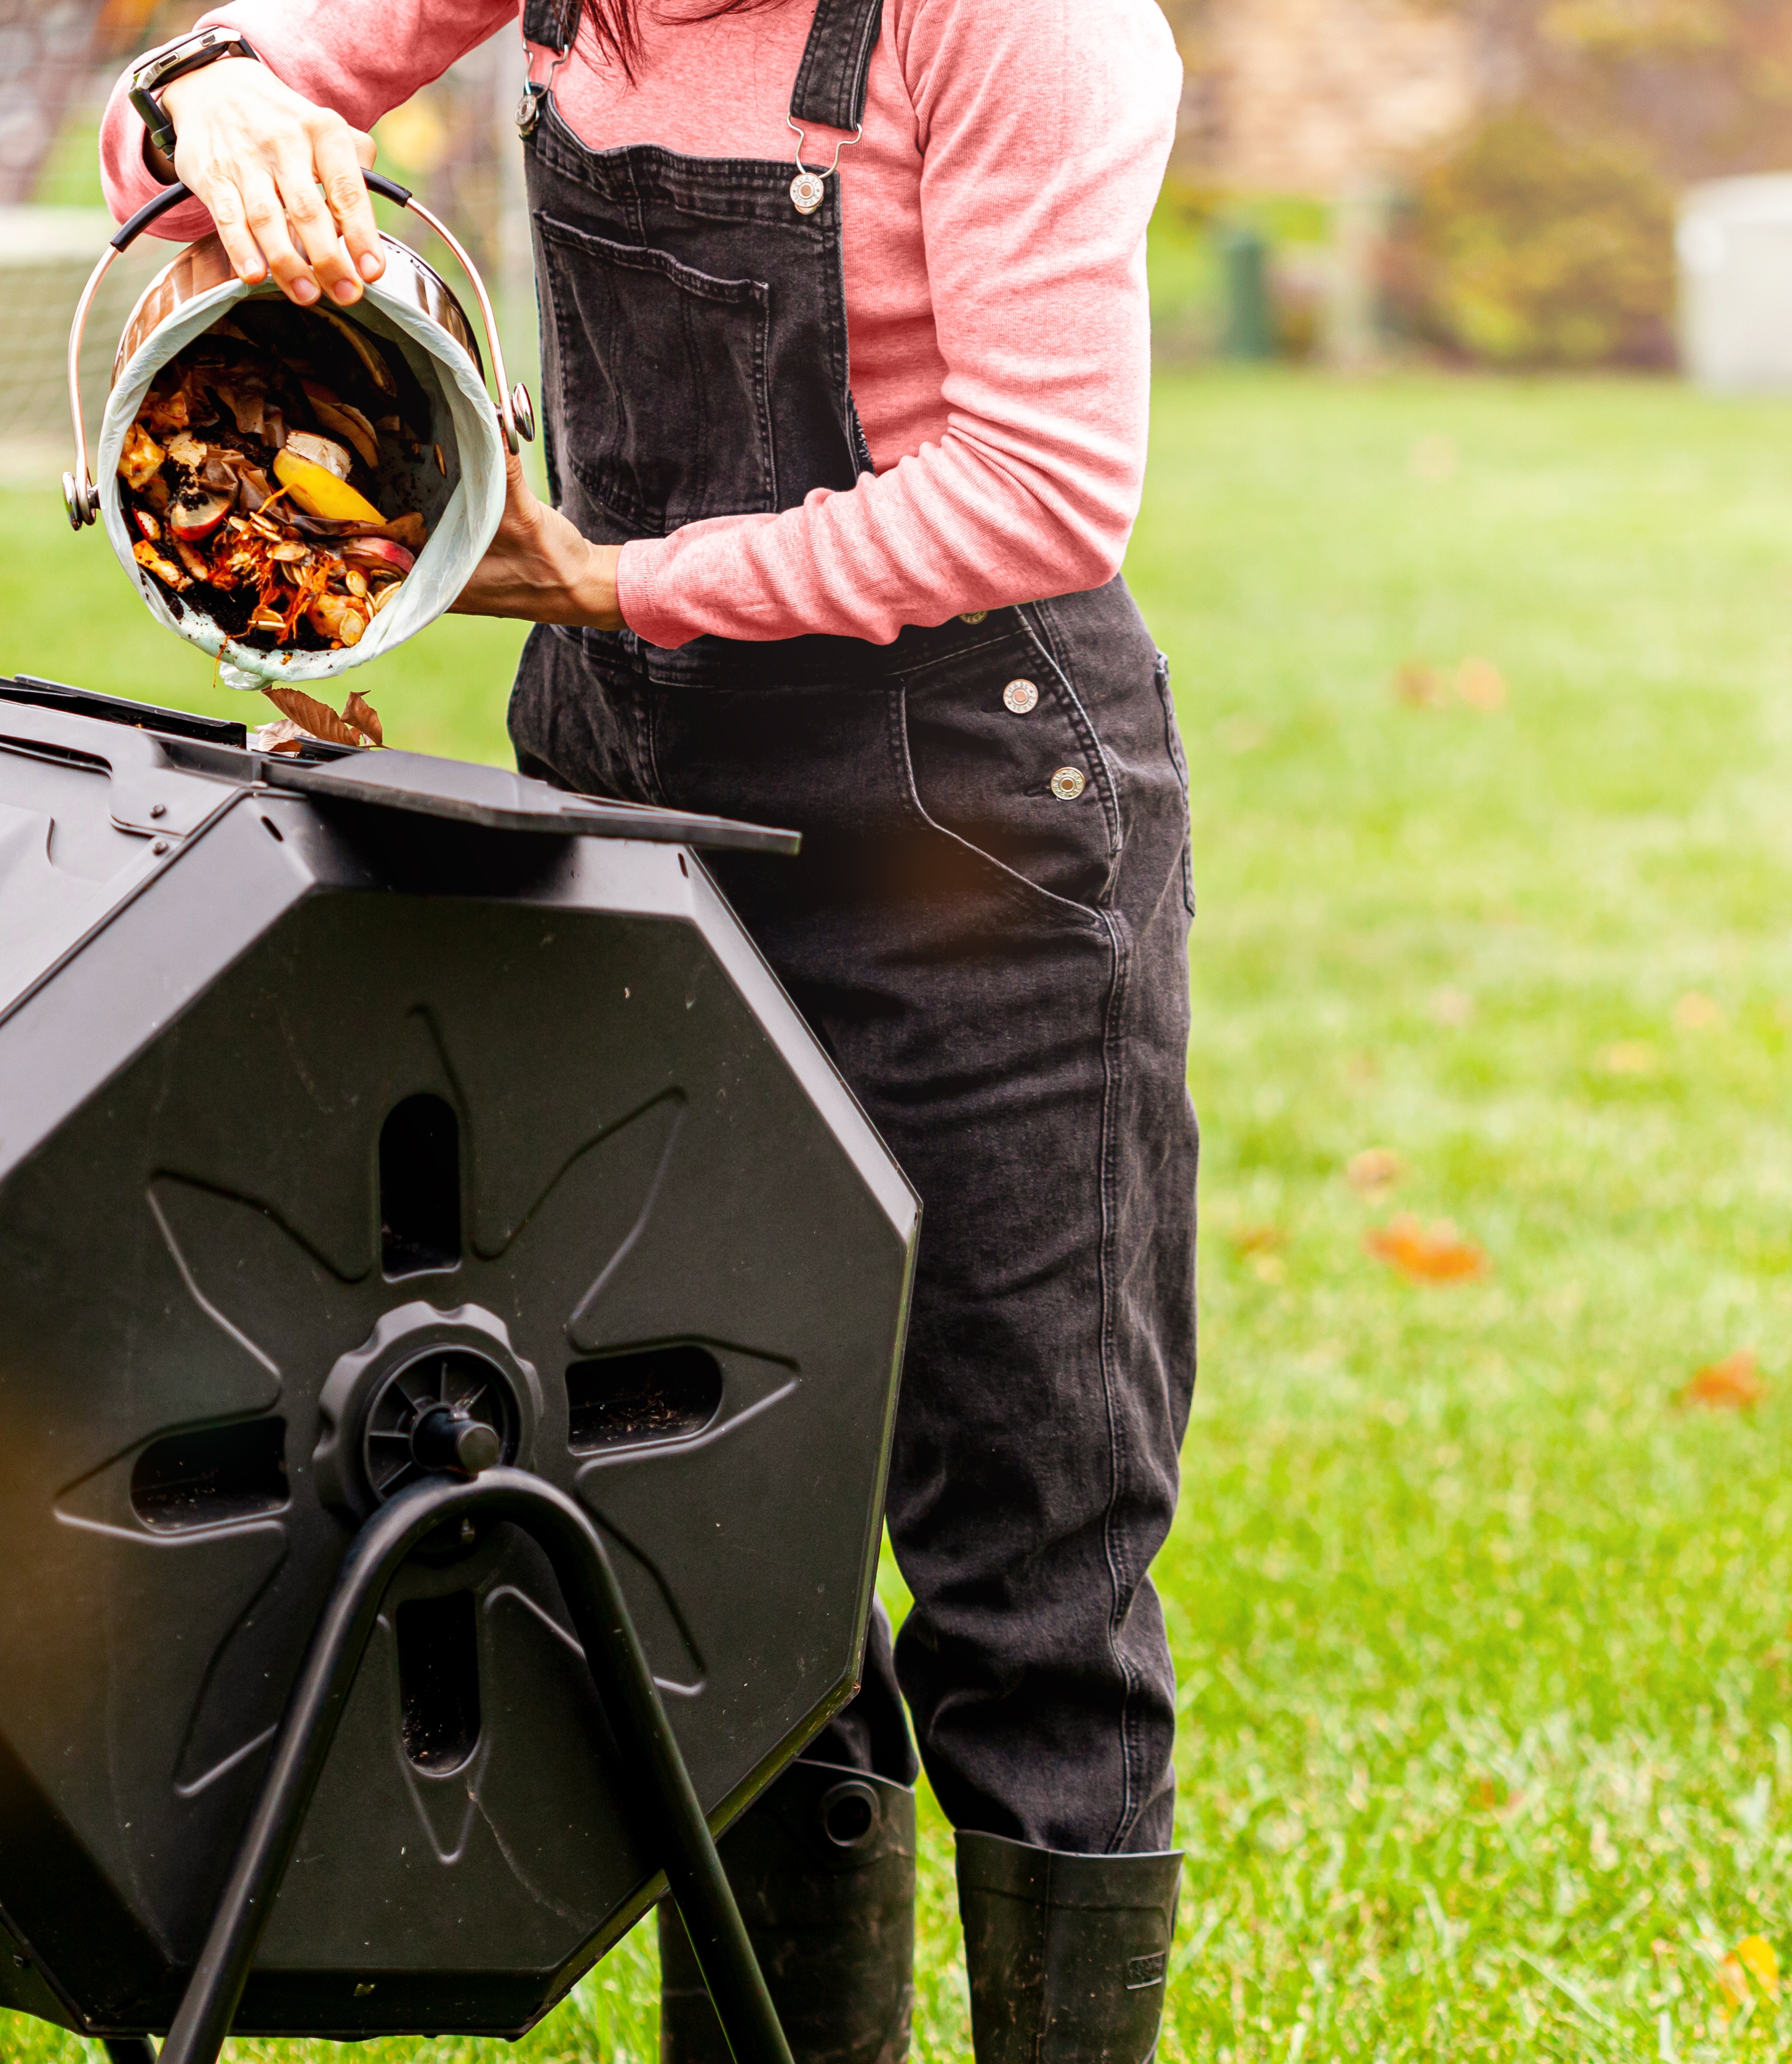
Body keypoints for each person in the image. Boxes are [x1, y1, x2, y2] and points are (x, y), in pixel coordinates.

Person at [101, 0, 1194, 2053]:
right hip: (638, 803)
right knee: (715, 1540)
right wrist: (211, 100)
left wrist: (613, 580)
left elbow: (1047, 491)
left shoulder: (1023, 24)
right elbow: (157, 137)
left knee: (1029, 1563)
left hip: (968, 823)